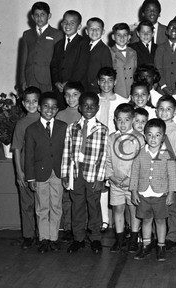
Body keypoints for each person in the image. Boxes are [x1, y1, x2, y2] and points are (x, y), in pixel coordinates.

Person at [61, 92, 109, 254]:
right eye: (85, 106)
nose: (89, 108)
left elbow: (103, 156)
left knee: (94, 206)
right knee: (77, 206)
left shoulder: (102, 129)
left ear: (98, 108)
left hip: (93, 173)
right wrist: (65, 174)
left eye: (92, 106)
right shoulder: (72, 128)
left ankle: (95, 238)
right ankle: (78, 238)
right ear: (80, 108)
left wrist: (101, 177)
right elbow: (67, 152)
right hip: (76, 173)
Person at [25, 92, 67, 253]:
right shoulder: (32, 129)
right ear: (39, 108)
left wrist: (66, 174)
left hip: (58, 173)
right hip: (40, 174)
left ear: (57, 110)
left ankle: (54, 238)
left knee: (56, 206)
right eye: (46, 106)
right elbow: (29, 155)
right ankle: (44, 239)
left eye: (53, 107)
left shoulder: (63, 127)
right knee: (42, 207)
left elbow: (67, 152)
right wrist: (30, 178)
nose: (49, 109)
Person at [130, 118, 176, 262]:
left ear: (163, 137)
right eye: (149, 135)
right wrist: (133, 191)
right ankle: (146, 245)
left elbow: (172, 175)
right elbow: (134, 173)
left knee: (161, 221)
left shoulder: (167, 154)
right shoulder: (139, 153)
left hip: (160, 194)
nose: (153, 138)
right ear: (144, 136)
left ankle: (161, 246)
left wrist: (171, 193)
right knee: (146, 220)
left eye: (157, 135)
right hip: (143, 194)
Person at [106, 103, 145, 253]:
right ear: (115, 120)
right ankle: (120, 239)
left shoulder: (139, 138)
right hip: (116, 182)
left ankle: (134, 239)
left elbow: (141, 162)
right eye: (119, 120)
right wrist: (111, 177)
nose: (123, 124)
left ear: (133, 120)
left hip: (132, 183)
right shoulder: (111, 138)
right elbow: (108, 159)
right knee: (118, 210)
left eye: (126, 120)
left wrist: (131, 180)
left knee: (134, 209)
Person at [95, 67, 129, 233]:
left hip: (117, 146)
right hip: (98, 146)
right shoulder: (93, 100)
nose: (106, 84)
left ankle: (123, 222)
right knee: (102, 182)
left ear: (115, 82)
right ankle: (104, 220)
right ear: (98, 82)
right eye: (103, 80)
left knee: (118, 180)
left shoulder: (122, 101)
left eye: (110, 80)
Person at [11, 86, 41, 250]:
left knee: (42, 204)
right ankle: (28, 235)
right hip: (25, 169)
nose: (31, 104)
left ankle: (43, 235)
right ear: (23, 104)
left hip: (41, 169)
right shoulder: (21, 124)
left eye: (34, 101)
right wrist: (19, 172)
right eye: (28, 102)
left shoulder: (45, 120)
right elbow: (16, 148)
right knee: (27, 204)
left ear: (39, 102)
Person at [155, 95, 176, 250]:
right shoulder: (153, 128)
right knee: (157, 205)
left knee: (172, 206)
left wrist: (174, 177)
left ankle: (171, 236)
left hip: (171, 173)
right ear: (156, 111)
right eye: (161, 109)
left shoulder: (175, 131)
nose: (164, 112)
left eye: (168, 109)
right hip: (156, 174)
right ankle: (157, 235)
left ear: (174, 112)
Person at [56, 81, 84, 241]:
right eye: (67, 95)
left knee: (80, 196)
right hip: (66, 162)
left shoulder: (84, 113)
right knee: (67, 197)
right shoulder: (60, 115)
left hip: (81, 162)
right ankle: (68, 227)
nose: (71, 98)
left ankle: (81, 226)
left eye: (75, 95)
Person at [19, 2, 63, 93]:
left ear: (49, 16)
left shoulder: (57, 34)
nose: (39, 18)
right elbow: (23, 60)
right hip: (30, 78)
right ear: (32, 17)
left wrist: (56, 81)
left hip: (48, 78)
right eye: (36, 15)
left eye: (42, 14)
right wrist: (23, 80)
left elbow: (59, 61)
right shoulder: (27, 34)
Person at [50, 10, 90, 107]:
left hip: (76, 89)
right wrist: (56, 82)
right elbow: (53, 65)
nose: (67, 25)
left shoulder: (83, 43)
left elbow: (82, 67)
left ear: (79, 26)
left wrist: (68, 84)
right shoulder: (58, 44)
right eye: (65, 22)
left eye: (72, 23)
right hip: (60, 91)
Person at [84, 17, 112, 92]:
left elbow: (107, 70)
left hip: (96, 88)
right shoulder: (84, 46)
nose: (94, 31)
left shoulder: (104, 49)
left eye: (98, 29)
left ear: (103, 31)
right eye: (91, 28)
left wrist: (95, 83)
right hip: (83, 86)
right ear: (86, 31)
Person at [110, 23, 137, 99]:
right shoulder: (110, 52)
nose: (122, 38)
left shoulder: (133, 52)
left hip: (131, 91)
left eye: (125, 35)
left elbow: (135, 71)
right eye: (118, 35)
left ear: (129, 37)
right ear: (113, 37)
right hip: (117, 90)